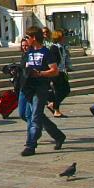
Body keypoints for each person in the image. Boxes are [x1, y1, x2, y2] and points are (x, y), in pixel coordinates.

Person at [17, 27, 65, 156]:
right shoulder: (28, 52)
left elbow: (55, 70)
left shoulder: (46, 52)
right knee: (24, 114)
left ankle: (30, 145)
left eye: (28, 37)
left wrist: (40, 73)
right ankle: (58, 135)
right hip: (27, 87)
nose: (26, 40)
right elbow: (24, 67)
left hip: (40, 88)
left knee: (35, 117)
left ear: (33, 38)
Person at [47, 30, 72, 118]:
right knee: (61, 90)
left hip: (62, 71)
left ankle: (54, 106)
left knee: (65, 90)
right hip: (56, 72)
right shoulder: (54, 48)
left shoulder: (62, 47)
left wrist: (67, 66)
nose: (64, 38)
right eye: (63, 37)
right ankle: (55, 108)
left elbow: (64, 58)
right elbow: (53, 61)